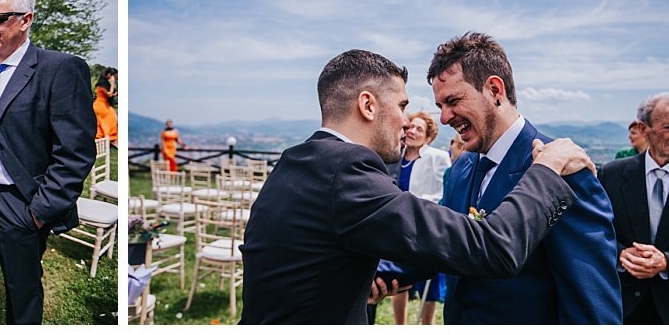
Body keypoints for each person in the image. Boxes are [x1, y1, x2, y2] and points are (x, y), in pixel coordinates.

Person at [239, 49, 595, 324]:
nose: (410, 120)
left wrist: (378, 274)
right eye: (403, 105)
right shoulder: (346, 171)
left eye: (451, 102)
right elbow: (491, 248)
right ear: (367, 105)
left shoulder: (296, 162)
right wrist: (547, 171)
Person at [427, 32, 621, 324]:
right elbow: (445, 244)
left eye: (453, 100)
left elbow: (592, 306)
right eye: (440, 106)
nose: (444, 118)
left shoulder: (564, 173)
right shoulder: (460, 170)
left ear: (495, 89)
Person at [0, 0, 95, 324]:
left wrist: (39, 211)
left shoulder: (58, 69)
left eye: (0, 19)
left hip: (17, 202)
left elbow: (75, 150)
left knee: (22, 287)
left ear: (25, 19)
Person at [599, 93, 669, 324]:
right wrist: (621, 254)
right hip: (623, 305)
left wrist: (668, 262)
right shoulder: (611, 175)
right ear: (643, 128)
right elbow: (597, 231)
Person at [390, 111, 451, 325]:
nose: (412, 132)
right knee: (398, 276)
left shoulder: (437, 157)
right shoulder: (394, 157)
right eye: (410, 127)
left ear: (428, 137)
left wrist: (416, 202)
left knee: (429, 282)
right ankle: (400, 325)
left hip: (425, 225)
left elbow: (445, 192)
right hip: (399, 226)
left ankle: (427, 325)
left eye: (419, 129)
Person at [93, 67, 118, 145]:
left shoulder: (106, 84)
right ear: (109, 75)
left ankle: (108, 139)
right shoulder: (101, 84)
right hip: (100, 105)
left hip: (106, 105)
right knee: (108, 122)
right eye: (114, 76)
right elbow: (109, 94)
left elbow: (113, 93)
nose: (115, 78)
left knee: (112, 120)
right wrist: (112, 83)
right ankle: (109, 138)